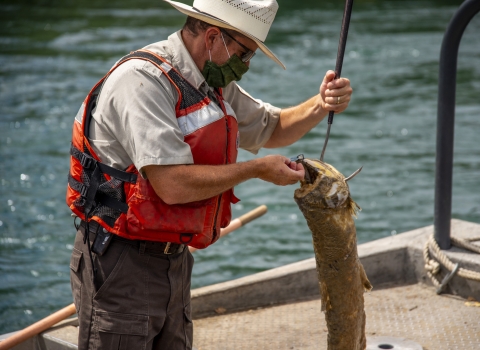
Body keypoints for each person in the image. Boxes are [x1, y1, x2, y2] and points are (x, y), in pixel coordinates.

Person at [66, 0, 353, 349]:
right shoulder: (142, 82)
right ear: (214, 37)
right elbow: (171, 185)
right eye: (245, 54)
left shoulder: (212, 78)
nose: (246, 66)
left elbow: (272, 129)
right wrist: (257, 169)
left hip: (174, 259)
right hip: (120, 261)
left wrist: (321, 103)